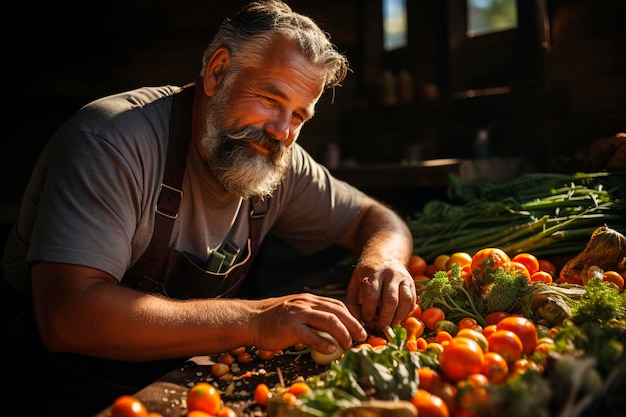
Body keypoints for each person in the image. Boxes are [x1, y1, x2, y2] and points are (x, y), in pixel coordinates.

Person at [0, 1, 416, 415]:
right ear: (217, 72)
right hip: (59, 390)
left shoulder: (278, 161)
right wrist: (256, 320)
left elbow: (378, 219)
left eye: (299, 116)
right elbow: (68, 318)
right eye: (270, 99)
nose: (282, 132)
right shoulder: (110, 141)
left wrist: (382, 261)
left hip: (182, 390)